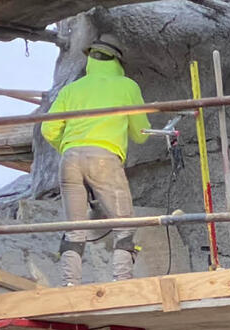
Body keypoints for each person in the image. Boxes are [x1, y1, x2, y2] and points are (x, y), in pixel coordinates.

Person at [40, 34, 150, 286]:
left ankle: (70, 284)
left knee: (74, 228)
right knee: (124, 224)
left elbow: (48, 130)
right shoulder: (127, 86)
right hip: (104, 158)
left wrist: (68, 146)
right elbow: (141, 134)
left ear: (90, 58)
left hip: (69, 159)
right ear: (117, 61)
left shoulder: (72, 89)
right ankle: (121, 280)